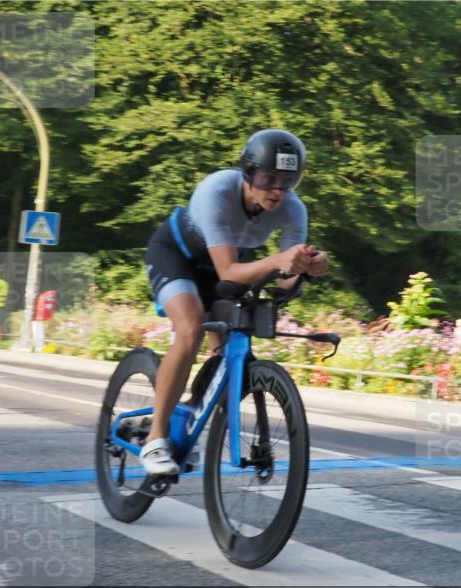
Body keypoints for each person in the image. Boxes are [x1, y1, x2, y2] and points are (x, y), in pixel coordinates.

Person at [140, 129, 328, 475]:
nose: (278, 190)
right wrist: (276, 261)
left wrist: (307, 269)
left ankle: (188, 415)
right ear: (248, 173)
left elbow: (285, 279)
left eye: (288, 180)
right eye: (269, 178)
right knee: (191, 328)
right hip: (178, 256)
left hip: (229, 268)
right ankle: (156, 437)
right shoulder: (218, 190)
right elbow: (227, 271)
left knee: (226, 350)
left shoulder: (293, 210)